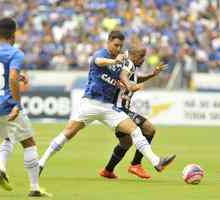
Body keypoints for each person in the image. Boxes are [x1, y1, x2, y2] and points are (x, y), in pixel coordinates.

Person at [38, 30, 176, 175]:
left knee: (134, 130)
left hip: (109, 108)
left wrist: (130, 85)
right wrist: (114, 61)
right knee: (69, 133)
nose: (117, 48)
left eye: (120, 46)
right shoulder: (101, 54)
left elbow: (124, 77)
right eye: (115, 45)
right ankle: (41, 163)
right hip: (90, 103)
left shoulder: (122, 62)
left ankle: (156, 162)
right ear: (108, 42)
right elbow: (99, 62)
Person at [0, 17, 50, 197]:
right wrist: (17, 104)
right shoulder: (15, 53)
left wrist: (15, 78)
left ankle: (1, 168)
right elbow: (11, 77)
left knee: (8, 139)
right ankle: (34, 187)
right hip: (7, 105)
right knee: (29, 143)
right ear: (14, 34)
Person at [99, 45, 168, 179]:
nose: (143, 60)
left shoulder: (131, 67)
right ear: (135, 56)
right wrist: (130, 86)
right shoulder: (129, 64)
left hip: (116, 109)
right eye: (142, 57)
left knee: (126, 142)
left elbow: (135, 79)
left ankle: (107, 170)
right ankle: (136, 164)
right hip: (120, 108)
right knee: (149, 129)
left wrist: (152, 75)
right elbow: (124, 76)